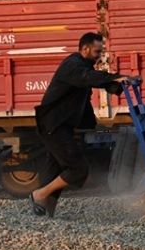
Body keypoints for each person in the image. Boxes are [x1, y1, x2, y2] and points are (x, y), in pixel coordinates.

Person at [29, 32, 129, 216]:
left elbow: (95, 78)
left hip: (60, 125)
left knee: (54, 171)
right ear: (85, 49)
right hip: (54, 124)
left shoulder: (83, 66)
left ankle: (46, 215)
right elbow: (86, 77)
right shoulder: (72, 65)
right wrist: (115, 77)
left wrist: (119, 84)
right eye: (97, 52)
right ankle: (39, 195)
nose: (99, 56)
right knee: (78, 169)